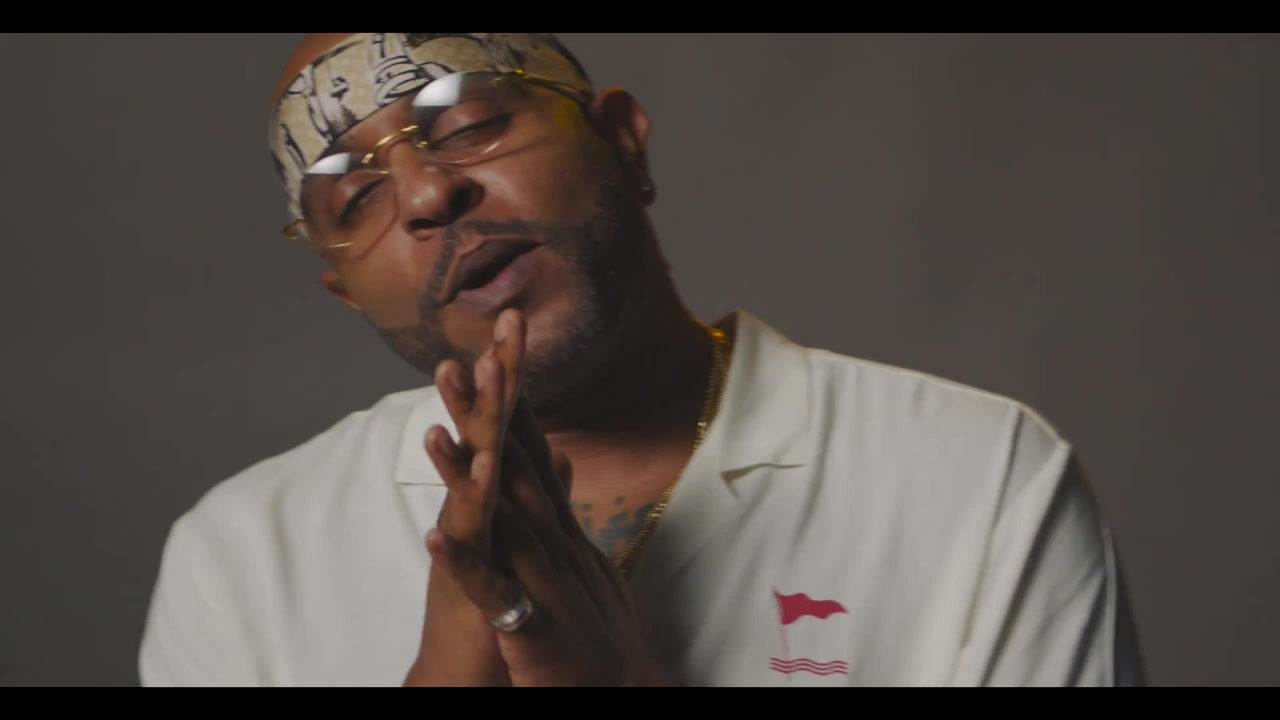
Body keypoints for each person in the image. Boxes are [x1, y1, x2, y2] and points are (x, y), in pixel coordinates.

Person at [137, 32, 1146, 687]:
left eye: (471, 124)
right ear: (345, 289)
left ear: (624, 142)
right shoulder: (241, 557)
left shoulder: (978, 476)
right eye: (356, 199)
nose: (428, 196)